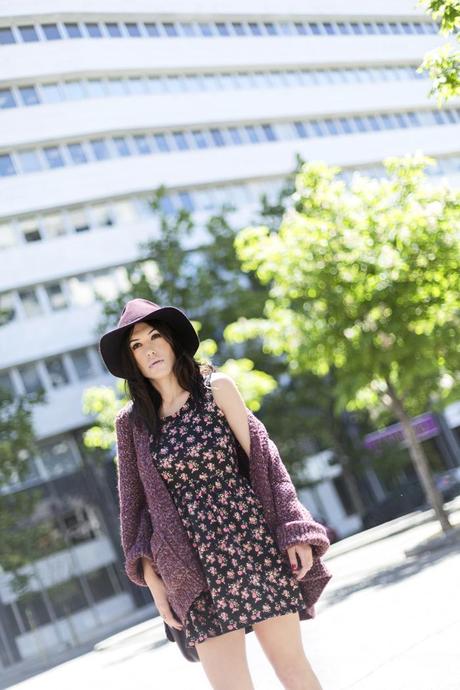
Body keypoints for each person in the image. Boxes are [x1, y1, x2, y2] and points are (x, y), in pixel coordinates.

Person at [99, 298, 333, 690]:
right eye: (137, 345)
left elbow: (265, 460)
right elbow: (134, 509)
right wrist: (155, 584)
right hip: (188, 567)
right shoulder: (132, 424)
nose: (150, 349)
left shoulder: (217, 389)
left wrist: (292, 529)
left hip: (252, 547)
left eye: (155, 336)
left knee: (292, 671)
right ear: (131, 360)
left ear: (172, 341)